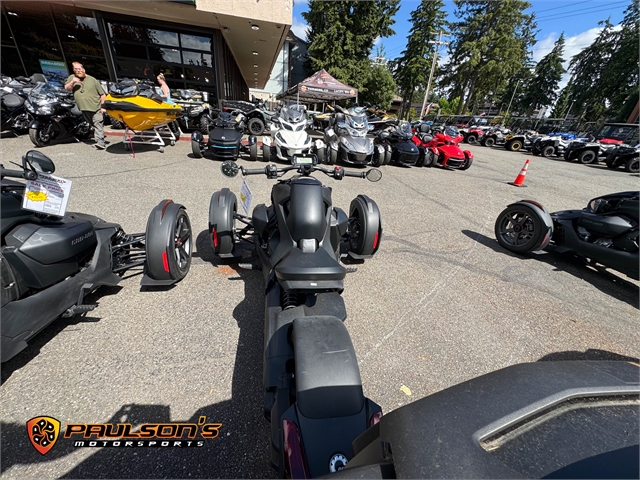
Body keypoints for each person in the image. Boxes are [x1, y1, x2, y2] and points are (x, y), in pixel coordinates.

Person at [65, 62, 107, 149]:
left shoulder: (92, 80)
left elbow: (103, 94)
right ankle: (98, 140)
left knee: (98, 123)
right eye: (75, 69)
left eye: (79, 69)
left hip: (96, 107)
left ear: (83, 69)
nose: (78, 71)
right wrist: (72, 82)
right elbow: (67, 89)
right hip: (83, 107)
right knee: (93, 124)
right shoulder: (72, 78)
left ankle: (100, 143)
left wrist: (103, 107)